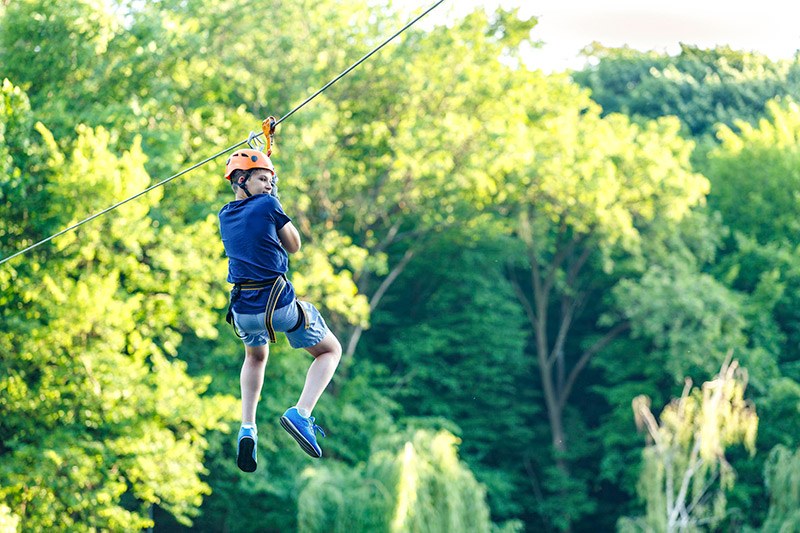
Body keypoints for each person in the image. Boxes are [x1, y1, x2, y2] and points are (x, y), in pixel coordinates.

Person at [217, 148, 342, 471]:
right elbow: (294, 245)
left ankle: (248, 427)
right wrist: (278, 205)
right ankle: (301, 413)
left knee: (255, 357)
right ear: (241, 180)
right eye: (262, 179)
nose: (269, 186)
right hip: (277, 304)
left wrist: (266, 178)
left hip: (243, 310)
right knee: (329, 351)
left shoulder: (224, 215)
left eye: (271, 182)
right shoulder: (270, 204)